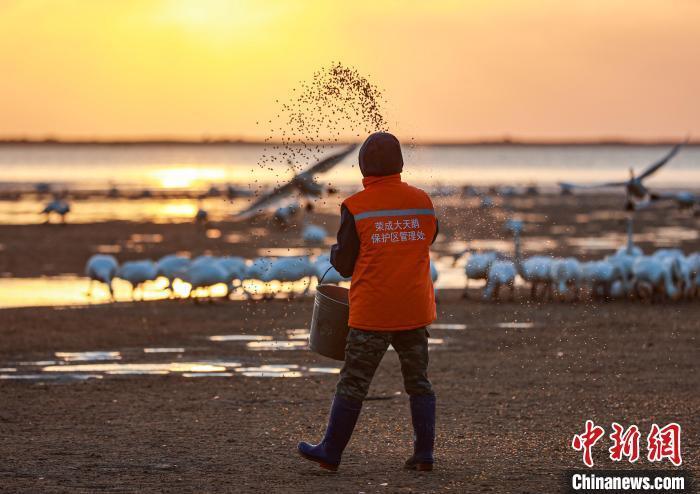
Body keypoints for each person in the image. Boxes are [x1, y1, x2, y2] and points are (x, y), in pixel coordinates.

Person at [298, 132, 438, 472]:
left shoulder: (356, 206)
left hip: (372, 312)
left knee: (354, 381)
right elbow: (429, 238)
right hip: (414, 309)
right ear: (400, 164)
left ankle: (330, 451)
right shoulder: (422, 201)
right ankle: (424, 455)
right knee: (418, 381)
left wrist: (338, 250)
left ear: (363, 166)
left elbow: (344, 265)